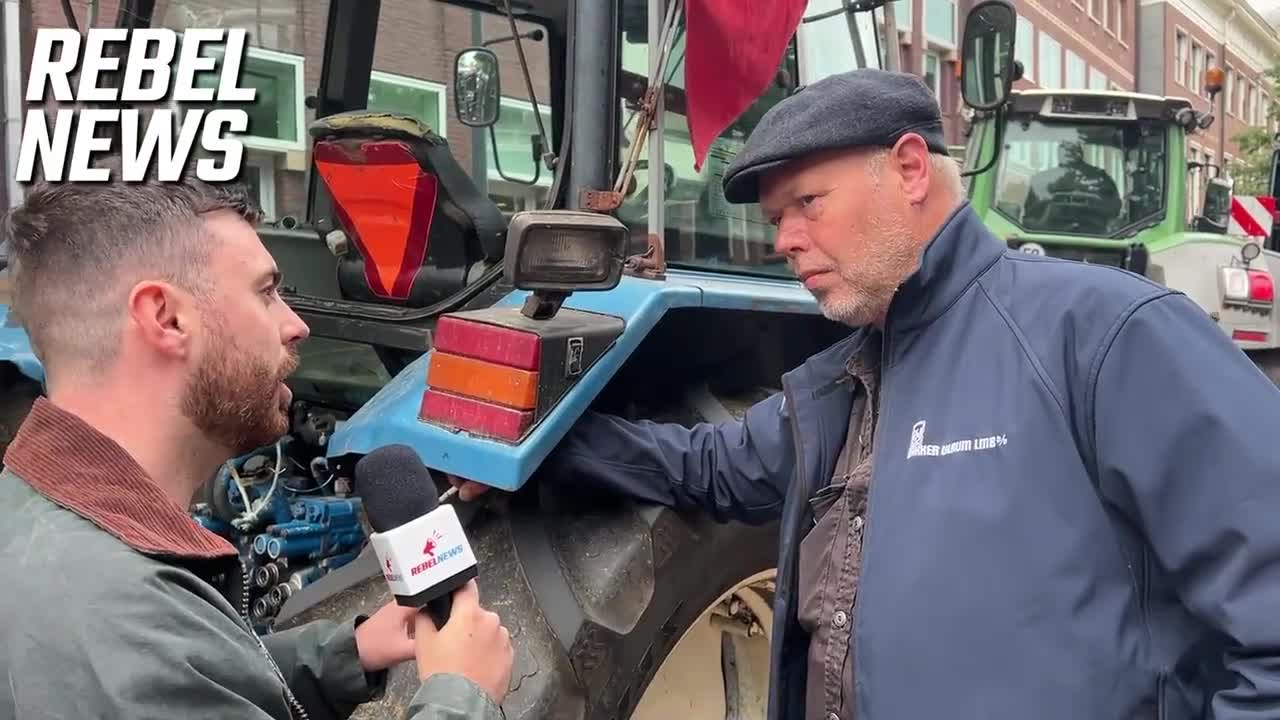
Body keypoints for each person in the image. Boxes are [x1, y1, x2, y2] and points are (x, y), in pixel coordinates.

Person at [452, 68, 1280, 719]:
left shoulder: (1105, 336)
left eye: (807, 204)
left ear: (910, 168)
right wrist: (522, 452)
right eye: (777, 219)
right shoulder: (849, 382)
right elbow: (705, 465)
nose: (784, 240)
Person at [0, 158, 512, 720]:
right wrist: (462, 695)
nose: (296, 324)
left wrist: (346, 653)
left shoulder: (39, 526)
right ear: (166, 318)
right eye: (266, 292)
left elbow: (192, 679)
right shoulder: (122, 630)